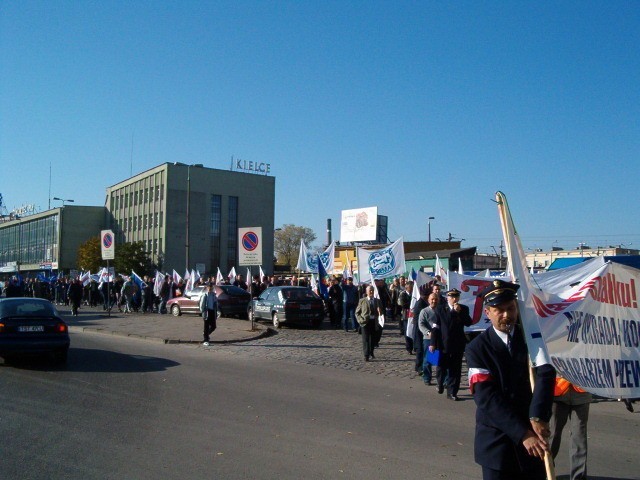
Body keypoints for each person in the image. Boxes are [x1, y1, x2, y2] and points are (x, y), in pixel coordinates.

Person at [465, 279, 556, 480]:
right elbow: (486, 398)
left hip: (534, 437)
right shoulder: (477, 348)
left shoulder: (531, 339)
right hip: (498, 443)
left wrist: (538, 416)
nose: (507, 315)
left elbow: (546, 374)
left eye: (511, 308)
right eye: (499, 310)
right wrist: (523, 434)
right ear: (487, 313)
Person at [430, 288, 472, 400]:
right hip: (442, 343)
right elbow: (435, 327)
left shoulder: (463, 309)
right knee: (441, 367)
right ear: (447, 297)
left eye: (456, 296)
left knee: (455, 369)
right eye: (452, 297)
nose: (454, 299)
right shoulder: (440, 309)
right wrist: (433, 342)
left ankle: (452, 392)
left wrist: (459, 313)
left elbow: (469, 323)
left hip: (457, 343)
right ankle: (440, 383)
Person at [549, 376, 591, 480]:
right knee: (553, 434)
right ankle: (546, 469)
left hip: (582, 391)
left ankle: (578, 476)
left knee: (579, 436)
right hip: (558, 390)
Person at [355, 285, 382, 362]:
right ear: (366, 292)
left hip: (374, 322)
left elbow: (381, 312)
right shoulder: (362, 301)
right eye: (369, 290)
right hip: (365, 322)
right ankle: (366, 355)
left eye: (372, 290)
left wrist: (380, 312)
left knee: (373, 339)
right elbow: (357, 312)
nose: (371, 292)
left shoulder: (377, 301)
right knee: (365, 339)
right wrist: (360, 320)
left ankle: (371, 352)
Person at [418, 292, 440, 385]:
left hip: (439, 338)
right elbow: (421, 324)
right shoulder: (424, 311)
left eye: (435, 299)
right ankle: (427, 377)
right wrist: (428, 332)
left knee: (439, 360)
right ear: (428, 300)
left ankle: (443, 379)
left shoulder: (440, 310)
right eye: (432, 299)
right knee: (428, 360)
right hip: (428, 338)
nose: (434, 301)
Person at [398, 280, 414, 354]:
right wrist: (411, 305)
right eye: (410, 287)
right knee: (407, 332)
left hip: (413, 315)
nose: (412, 289)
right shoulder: (403, 294)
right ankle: (409, 348)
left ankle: (413, 346)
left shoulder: (414, 295)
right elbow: (403, 304)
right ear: (407, 288)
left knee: (413, 331)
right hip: (406, 315)